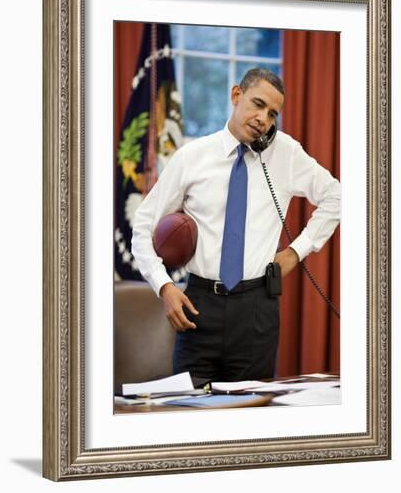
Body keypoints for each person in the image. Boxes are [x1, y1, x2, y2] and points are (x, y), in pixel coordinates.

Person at [131, 67, 341, 382]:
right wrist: (164, 287)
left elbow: (337, 196)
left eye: (273, 114)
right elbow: (143, 226)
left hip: (256, 312)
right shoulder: (192, 157)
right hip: (198, 308)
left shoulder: (285, 153)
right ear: (236, 95)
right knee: (187, 417)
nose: (263, 119)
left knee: (250, 418)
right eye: (258, 104)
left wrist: (296, 251)